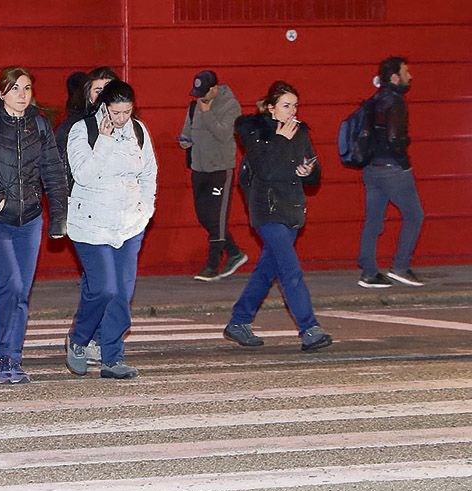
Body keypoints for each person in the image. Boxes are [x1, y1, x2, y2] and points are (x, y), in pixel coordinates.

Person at [0, 66, 69, 384]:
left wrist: (58, 216)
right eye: (16, 88)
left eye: (28, 88)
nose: (22, 94)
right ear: (2, 92)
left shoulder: (39, 125)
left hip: (30, 219)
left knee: (22, 291)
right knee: (12, 284)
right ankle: (1, 354)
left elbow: (53, 171)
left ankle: (14, 358)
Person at [222, 81, 333, 353]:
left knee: (267, 269)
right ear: (271, 109)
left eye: (295, 106)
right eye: (286, 106)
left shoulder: (300, 132)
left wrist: (309, 171)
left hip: (291, 209)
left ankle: (239, 321)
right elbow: (266, 170)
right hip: (267, 210)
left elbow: (315, 170)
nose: (292, 111)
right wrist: (281, 139)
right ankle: (309, 328)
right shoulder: (255, 132)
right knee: (290, 270)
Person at [62, 80, 158, 380]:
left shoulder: (138, 131)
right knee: (104, 288)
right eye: (116, 112)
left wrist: (146, 208)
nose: (120, 119)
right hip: (91, 224)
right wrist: (102, 141)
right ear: (104, 106)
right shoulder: (83, 130)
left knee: (122, 293)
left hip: (128, 224)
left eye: (126, 112)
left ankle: (112, 357)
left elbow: (149, 173)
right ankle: (78, 340)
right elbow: (84, 174)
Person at [357, 56, 424, 288]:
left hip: (371, 168)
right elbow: (395, 138)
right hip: (393, 169)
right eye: (406, 72)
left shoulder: (374, 100)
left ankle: (368, 271)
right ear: (394, 77)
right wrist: (404, 161)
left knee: (373, 220)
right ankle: (400, 267)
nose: (410, 76)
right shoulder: (396, 102)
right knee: (415, 216)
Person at [179, 70, 247, 282]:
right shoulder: (194, 106)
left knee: (216, 217)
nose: (200, 97)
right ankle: (235, 252)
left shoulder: (230, 106)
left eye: (204, 92)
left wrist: (207, 113)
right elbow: (187, 131)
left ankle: (212, 264)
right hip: (199, 168)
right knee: (204, 216)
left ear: (215, 88)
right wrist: (184, 140)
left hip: (220, 169)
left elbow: (224, 134)